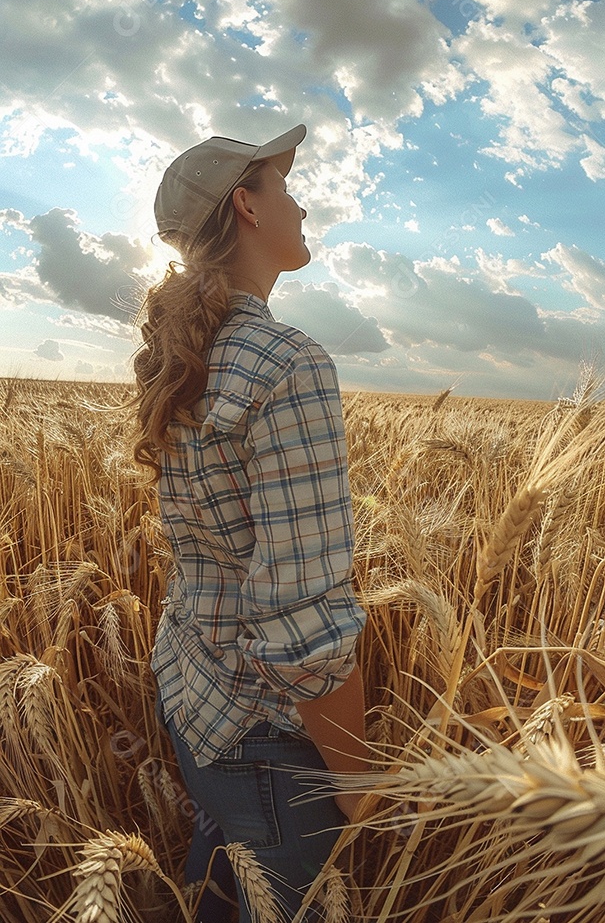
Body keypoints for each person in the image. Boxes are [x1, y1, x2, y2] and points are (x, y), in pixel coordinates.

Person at [130, 122, 369, 921]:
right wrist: (360, 778)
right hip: (268, 737)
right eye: (285, 187)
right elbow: (301, 620)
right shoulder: (289, 363)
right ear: (247, 205)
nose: (301, 207)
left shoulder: (183, 355)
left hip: (191, 688)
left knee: (220, 873)